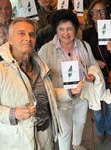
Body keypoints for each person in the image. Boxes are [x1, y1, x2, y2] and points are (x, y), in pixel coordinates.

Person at [0, 17, 61, 150]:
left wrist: (70, 92)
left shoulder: (40, 66)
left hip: (45, 136)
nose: (28, 38)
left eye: (32, 34)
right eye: (21, 33)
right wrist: (12, 114)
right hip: (17, 143)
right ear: (10, 39)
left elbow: (48, 93)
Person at [38, 9, 102, 150]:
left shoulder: (84, 46)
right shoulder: (46, 50)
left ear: (75, 29)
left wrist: (92, 74)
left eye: (69, 29)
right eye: (61, 29)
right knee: (65, 129)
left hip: (81, 94)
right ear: (55, 30)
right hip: (61, 98)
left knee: (80, 122)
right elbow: (40, 77)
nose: (65, 33)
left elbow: (93, 64)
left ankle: (77, 144)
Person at [83, 0, 111, 143]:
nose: (99, 15)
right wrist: (95, 62)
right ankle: (100, 131)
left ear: (107, 14)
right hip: (96, 78)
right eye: (95, 12)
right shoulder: (86, 34)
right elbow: (83, 57)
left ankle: (110, 129)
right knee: (97, 106)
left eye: (102, 11)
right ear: (91, 15)